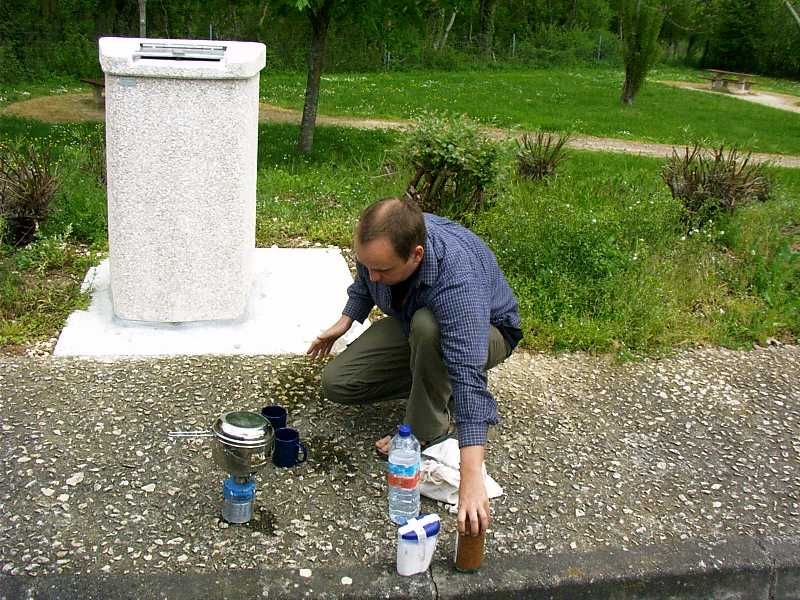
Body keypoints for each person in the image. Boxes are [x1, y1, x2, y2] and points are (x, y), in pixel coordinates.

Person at [307, 196, 522, 537]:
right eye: (367, 265)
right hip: (413, 324)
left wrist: (471, 479)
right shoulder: (381, 245)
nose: (374, 276)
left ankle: (427, 428)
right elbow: (365, 281)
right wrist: (346, 320)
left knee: (429, 328)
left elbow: (469, 377)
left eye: (383, 270)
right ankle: (433, 378)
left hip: (487, 332)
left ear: (416, 255)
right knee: (338, 381)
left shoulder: (457, 279)